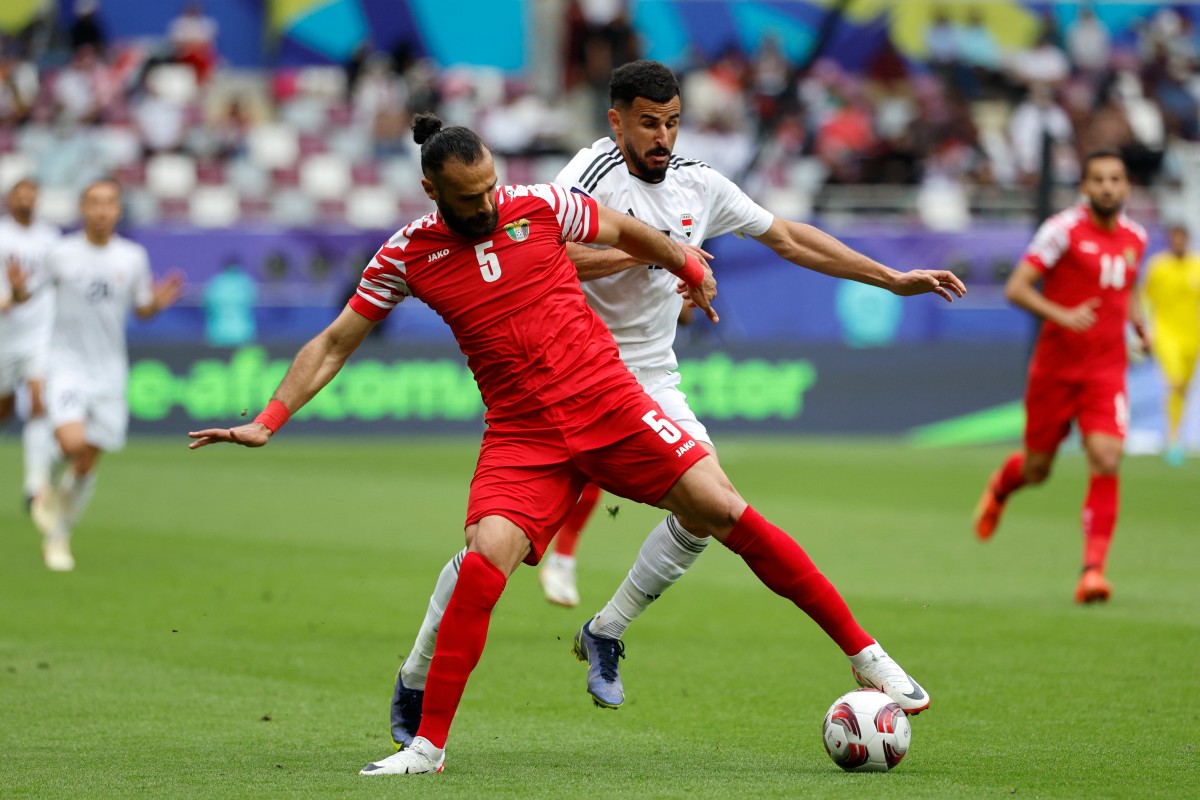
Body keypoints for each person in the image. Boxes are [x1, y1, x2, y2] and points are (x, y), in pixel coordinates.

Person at [189, 113, 940, 777]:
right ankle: (428, 746)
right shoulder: (404, 255)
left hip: (609, 401)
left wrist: (687, 262)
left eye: (489, 188)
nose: (485, 205)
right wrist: (271, 417)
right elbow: (335, 340)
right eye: (467, 198)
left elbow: (628, 232)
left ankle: (864, 653)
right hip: (522, 433)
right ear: (431, 191)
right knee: (486, 558)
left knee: (721, 508)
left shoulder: (540, 203)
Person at [394, 61, 967, 751]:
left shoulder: (700, 182)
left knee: (711, 508)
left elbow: (785, 236)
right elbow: (546, 257)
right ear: (617, 121)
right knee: (495, 547)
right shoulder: (587, 173)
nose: (662, 136)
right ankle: (421, 672)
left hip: (652, 378)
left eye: (671, 122)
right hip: (570, 372)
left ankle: (606, 629)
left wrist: (890, 278)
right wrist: (665, 254)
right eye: (647, 123)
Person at [973, 151, 1149, 604]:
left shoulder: (1136, 237)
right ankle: (1001, 486)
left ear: (1126, 187)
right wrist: (1063, 314)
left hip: (1106, 371)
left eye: (1116, 179)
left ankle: (1092, 571)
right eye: (1099, 180)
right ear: (1085, 187)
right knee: (1037, 469)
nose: (1108, 187)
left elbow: (1127, 288)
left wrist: (1140, 326)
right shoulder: (1062, 230)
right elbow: (1017, 287)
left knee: (1107, 457)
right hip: (1055, 370)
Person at [28, 179, 183, 571]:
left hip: (110, 372)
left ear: (117, 210)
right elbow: (26, 296)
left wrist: (158, 304)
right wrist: (13, 294)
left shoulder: (132, 257)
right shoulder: (60, 254)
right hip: (66, 367)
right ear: (83, 208)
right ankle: (45, 482)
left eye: (109, 203)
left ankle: (59, 536)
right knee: (71, 442)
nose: (101, 210)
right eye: (94, 202)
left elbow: (142, 309)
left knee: (85, 464)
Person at [0, 178, 61, 513]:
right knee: (5, 409)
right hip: (5, 334)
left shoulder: (50, 238)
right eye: (20, 194)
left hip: (41, 334)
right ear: (11, 199)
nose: (26, 199)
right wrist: (9, 298)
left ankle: (35, 485)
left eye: (31, 194)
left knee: (39, 401)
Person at [1140, 224, 1200, 466]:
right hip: (1165, 334)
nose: (1178, 242)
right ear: (1169, 240)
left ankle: (1176, 437)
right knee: (1174, 381)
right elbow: (1144, 298)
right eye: (1174, 238)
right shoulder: (1158, 267)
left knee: (1183, 388)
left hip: (1192, 336)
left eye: (1182, 238)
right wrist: (1143, 330)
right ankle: (1173, 439)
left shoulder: (1196, 267)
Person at [203, 256, 257, 347]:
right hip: (241, 333)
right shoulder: (245, 282)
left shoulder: (215, 283)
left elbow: (204, 306)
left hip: (218, 333)